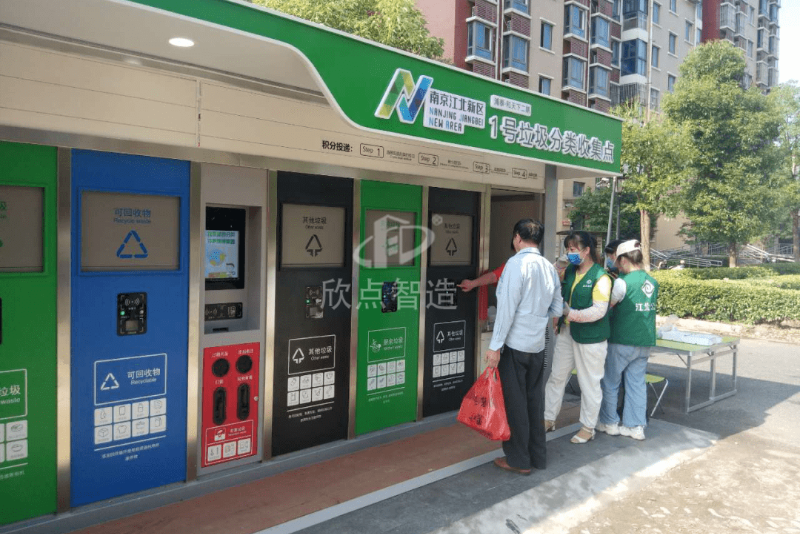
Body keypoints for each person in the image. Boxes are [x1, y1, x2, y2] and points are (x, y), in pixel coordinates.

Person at [485, 219, 563, 475]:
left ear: (517, 237)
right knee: (534, 401)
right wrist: (538, 318)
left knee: (515, 404)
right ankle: (538, 456)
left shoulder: (515, 264)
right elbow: (557, 308)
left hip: (515, 345)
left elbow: (506, 310)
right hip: (537, 345)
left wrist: (494, 347)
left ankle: (519, 460)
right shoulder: (548, 267)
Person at [544, 231, 612, 444]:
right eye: (567, 249)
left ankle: (588, 427)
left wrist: (570, 313)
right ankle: (548, 418)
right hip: (567, 332)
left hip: (591, 337)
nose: (569, 252)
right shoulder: (570, 270)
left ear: (586, 250)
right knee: (557, 376)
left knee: (588, 383)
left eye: (573, 249)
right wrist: (559, 264)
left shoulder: (601, 277)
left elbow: (599, 311)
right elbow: (549, 279)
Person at [596, 240, 659, 440]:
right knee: (637, 384)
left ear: (624, 259)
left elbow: (607, 307)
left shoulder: (622, 282)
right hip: (644, 342)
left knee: (610, 382)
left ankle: (609, 422)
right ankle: (636, 427)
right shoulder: (652, 281)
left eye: (617, 260)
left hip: (621, 340)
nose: (615, 263)